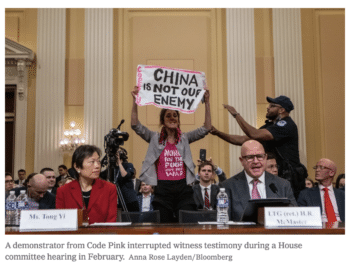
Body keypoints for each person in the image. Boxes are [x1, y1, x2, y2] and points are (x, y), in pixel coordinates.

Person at [131, 85, 211, 222]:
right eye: (168, 115)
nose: (172, 118)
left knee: (188, 223)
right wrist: (135, 101)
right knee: (163, 225)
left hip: (183, 188)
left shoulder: (185, 138)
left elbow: (206, 128)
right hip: (163, 189)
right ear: (162, 121)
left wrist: (207, 102)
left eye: (175, 115)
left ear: (179, 120)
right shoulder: (154, 138)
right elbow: (135, 125)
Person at [210, 95, 307, 199]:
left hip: (289, 177)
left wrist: (236, 114)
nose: (268, 108)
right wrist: (217, 133)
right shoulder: (270, 127)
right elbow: (243, 140)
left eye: (272, 105)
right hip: (276, 174)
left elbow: (254, 134)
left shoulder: (286, 125)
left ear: (281, 110)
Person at [221, 140, 297, 221]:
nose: (256, 161)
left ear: (265, 158)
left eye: (260, 156)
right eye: (250, 157)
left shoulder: (283, 185)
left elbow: (294, 217)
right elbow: (223, 222)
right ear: (241, 161)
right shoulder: (227, 186)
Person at [56, 145, 118, 224]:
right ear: (77, 166)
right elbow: (61, 222)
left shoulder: (109, 188)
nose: (97, 166)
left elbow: (111, 221)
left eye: (98, 161)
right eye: (92, 162)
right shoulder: (63, 191)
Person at [297, 158, 345, 223]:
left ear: (331, 172)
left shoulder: (343, 195)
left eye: (321, 167)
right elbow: (302, 219)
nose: (317, 170)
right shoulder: (305, 194)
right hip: (319, 230)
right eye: (316, 167)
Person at [101, 147, 139, 212]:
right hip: (118, 201)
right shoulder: (111, 168)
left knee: (133, 221)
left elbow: (125, 175)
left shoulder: (128, 165)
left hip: (130, 200)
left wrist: (119, 163)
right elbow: (100, 175)